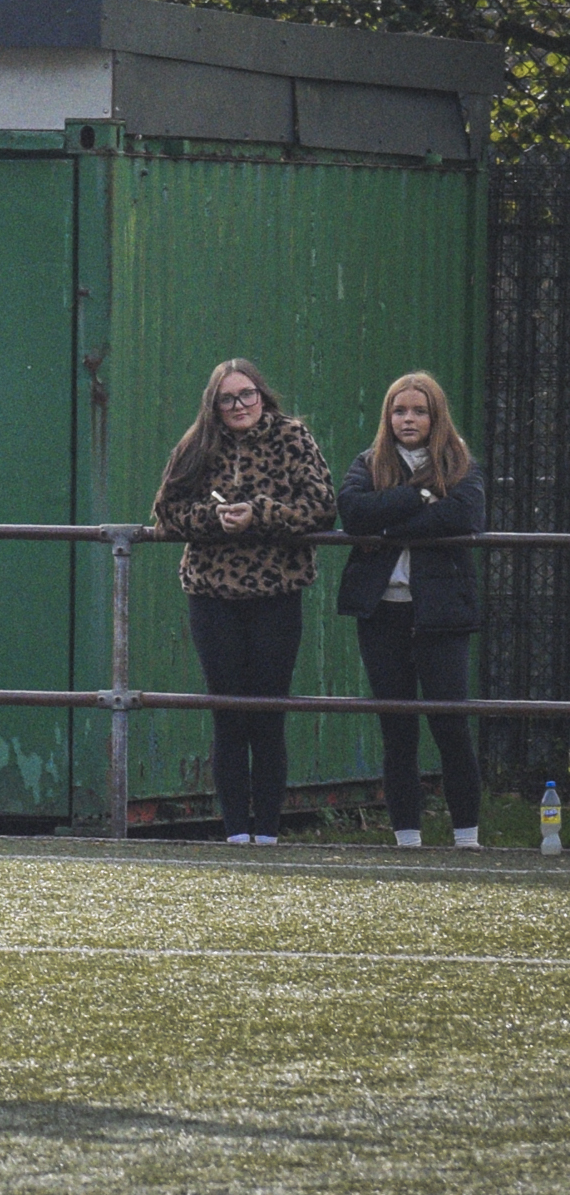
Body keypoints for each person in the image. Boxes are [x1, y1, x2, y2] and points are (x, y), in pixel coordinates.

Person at [148, 357, 335, 846]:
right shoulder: (196, 444)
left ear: (261, 394)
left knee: (268, 713)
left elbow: (321, 507)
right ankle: (235, 833)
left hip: (277, 592)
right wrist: (215, 521)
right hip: (212, 596)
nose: (239, 406)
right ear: (214, 403)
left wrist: (261, 515)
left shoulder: (293, 438)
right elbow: (166, 511)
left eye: (246, 395)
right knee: (228, 714)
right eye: (228, 398)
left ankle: (269, 833)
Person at [336, 371, 488, 850]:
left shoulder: (460, 462)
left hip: (441, 614)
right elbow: (353, 511)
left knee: (450, 725)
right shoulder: (368, 462)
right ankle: (407, 839)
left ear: (434, 415)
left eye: (419, 410)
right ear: (388, 416)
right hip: (382, 613)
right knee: (397, 727)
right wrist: (418, 496)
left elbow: (463, 514)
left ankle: (467, 837)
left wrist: (391, 520)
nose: (408, 419)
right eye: (400, 410)